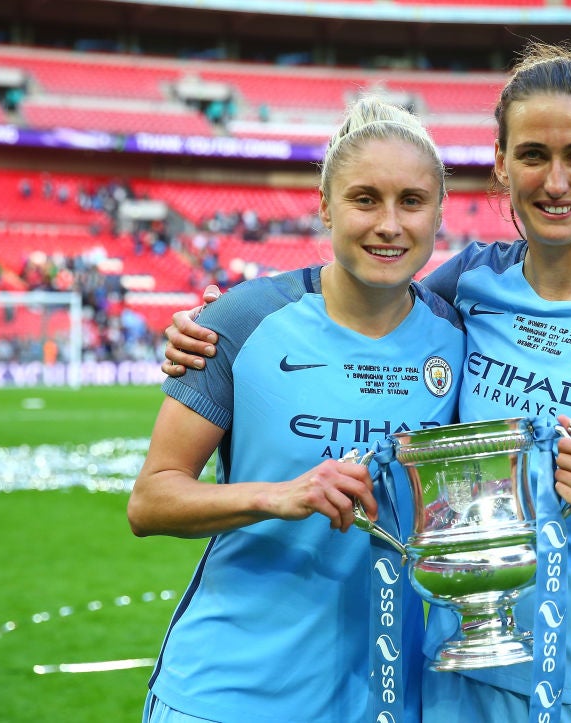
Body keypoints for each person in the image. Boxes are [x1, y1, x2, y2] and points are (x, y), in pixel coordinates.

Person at [163, 42, 571, 723]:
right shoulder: (467, 286)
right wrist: (211, 323)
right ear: (502, 164)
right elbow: (359, 299)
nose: (556, 181)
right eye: (533, 154)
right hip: (458, 687)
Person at [128, 96, 465, 723]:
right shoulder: (243, 320)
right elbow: (150, 501)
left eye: (412, 202)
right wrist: (278, 495)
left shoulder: (461, 336)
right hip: (231, 694)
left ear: (439, 213)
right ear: (324, 206)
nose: (388, 224)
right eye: (364, 199)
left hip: (387, 699)